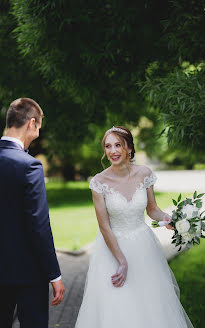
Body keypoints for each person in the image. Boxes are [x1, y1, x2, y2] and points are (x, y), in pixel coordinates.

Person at [75, 126, 194, 328]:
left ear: (129, 148)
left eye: (117, 145)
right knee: (119, 307)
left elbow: (152, 209)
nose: (112, 151)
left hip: (144, 247)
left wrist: (170, 219)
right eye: (108, 146)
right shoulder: (99, 182)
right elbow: (104, 227)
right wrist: (121, 261)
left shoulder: (144, 174)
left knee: (151, 306)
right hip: (112, 251)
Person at [0, 98, 65, 328]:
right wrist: (54, 275)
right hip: (28, 273)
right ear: (32, 123)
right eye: (39, 127)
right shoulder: (29, 165)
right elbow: (38, 224)